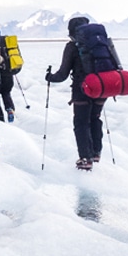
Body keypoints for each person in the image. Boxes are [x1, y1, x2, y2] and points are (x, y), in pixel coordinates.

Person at [45, 16, 105, 171]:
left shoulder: (72, 46)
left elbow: (63, 74)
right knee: (95, 118)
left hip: (82, 89)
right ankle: (96, 152)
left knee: (81, 123)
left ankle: (85, 158)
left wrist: (50, 77)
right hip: (102, 86)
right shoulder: (100, 42)